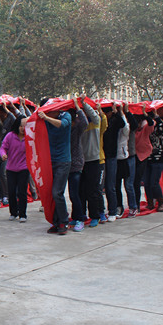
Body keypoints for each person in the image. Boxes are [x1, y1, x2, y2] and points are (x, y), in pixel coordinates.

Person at [39, 104, 72, 235]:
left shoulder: (66, 115)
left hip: (63, 160)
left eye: (48, 111)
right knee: (49, 193)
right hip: (49, 160)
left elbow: (62, 125)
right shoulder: (44, 118)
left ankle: (64, 221)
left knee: (57, 192)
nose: (47, 113)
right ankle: (56, 222)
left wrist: (46, 118)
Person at [79, 97, 103, 228]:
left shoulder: (96, 121)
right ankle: (81, 215)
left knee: (92, 190)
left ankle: (95, 216)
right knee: (80, 190)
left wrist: (83, 103)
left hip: (93, 160)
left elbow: (93, 115)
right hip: (81, 161)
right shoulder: (80, 124)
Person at [0, 117, 29, 222]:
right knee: (11, 192)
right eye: (21, 126)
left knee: (22, 192)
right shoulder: (10, 136)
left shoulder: (29, 137)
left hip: (24, 168)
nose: (22, 128)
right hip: (11, 169)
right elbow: (3, 147)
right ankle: (13, 212)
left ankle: (23, 214)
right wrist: (3, 155)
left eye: (25, 126)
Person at [66, 98, 88, 231]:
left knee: (75, 193)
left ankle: (80, 219)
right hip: (66, 164)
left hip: (76, 164)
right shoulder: (65, 128)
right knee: (72, 194)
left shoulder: (78, 128)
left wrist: (78, 107)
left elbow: (85, 122)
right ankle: (75, 216)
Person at [102, 103, 126, 222]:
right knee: (101, 186)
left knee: (110, 185)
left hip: (111, 155)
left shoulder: (115, 121)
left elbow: (123, 124)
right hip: (101, 156)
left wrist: (118, 112)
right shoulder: (101, 121)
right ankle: (103, 210)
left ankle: (113, 210)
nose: (106, 115)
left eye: (107, 113)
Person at [115, 104, 138, 217]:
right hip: (117, 157)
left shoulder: (129, 123)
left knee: (128, 184)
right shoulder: (115, 122)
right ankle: (119, 206)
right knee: (116, 184)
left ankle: (133, 207)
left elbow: (134, 125)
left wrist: (127, 112)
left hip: (129, 156)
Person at [143, 111, 163, 212]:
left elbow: (161, 129)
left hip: (158, 156)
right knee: (147, 182)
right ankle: (150, 202)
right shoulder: (144, 125)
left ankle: (161, 202)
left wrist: (156, 116)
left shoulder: (159, 124)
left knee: (154, 182)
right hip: (146, 156)